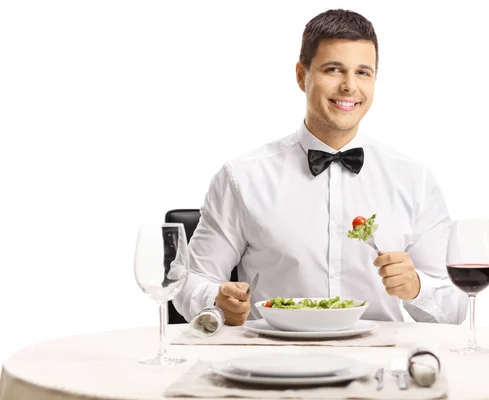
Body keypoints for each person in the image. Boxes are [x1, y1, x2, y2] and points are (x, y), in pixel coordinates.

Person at [173, 9, 468, 326]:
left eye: (363, 73)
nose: (349, 86)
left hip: (380, 365)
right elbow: (189, 281)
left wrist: (417, 288)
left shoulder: (415, 180)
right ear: (302, 75)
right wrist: (216, 301)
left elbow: (456, 307)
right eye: (334, 70)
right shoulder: (242, 177)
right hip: (272, 364)